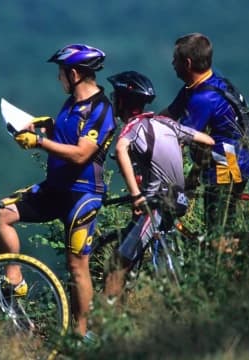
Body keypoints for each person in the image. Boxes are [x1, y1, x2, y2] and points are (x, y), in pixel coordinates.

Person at [0, 44, 116, 337]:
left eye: (60, 72)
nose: (58, 78)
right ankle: (15, 280)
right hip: (54, 190)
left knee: (77, 265)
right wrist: (47, 125)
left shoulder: (101, 109)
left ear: (74, 73)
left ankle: (80, 334)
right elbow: (69, 134)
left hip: (82, 195)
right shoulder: (71, 103)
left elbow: (82, 154)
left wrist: (39, 142)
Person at [104, 70, 214, 300]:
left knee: (118, 264)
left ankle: (96, 332)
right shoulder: (166, 123)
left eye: (115, 97)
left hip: (155, 204)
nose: (114, 101)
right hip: (177, 200)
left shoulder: (132, 128)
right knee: (161, 260)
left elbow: (120, 149)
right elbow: (208, 142)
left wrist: (135, 194)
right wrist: (193, 176)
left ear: (122, 101)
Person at [161, 33, 249, 234]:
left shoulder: (203, 98)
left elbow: (181, 139)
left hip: (228, 163)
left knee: (219, 229)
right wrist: (143, 125)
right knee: (216, 222)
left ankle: (226, 261)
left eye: (175, 60)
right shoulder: (199, 86)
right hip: (219, 158)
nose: (172, 64)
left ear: (187, 63)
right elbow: (169, 115)